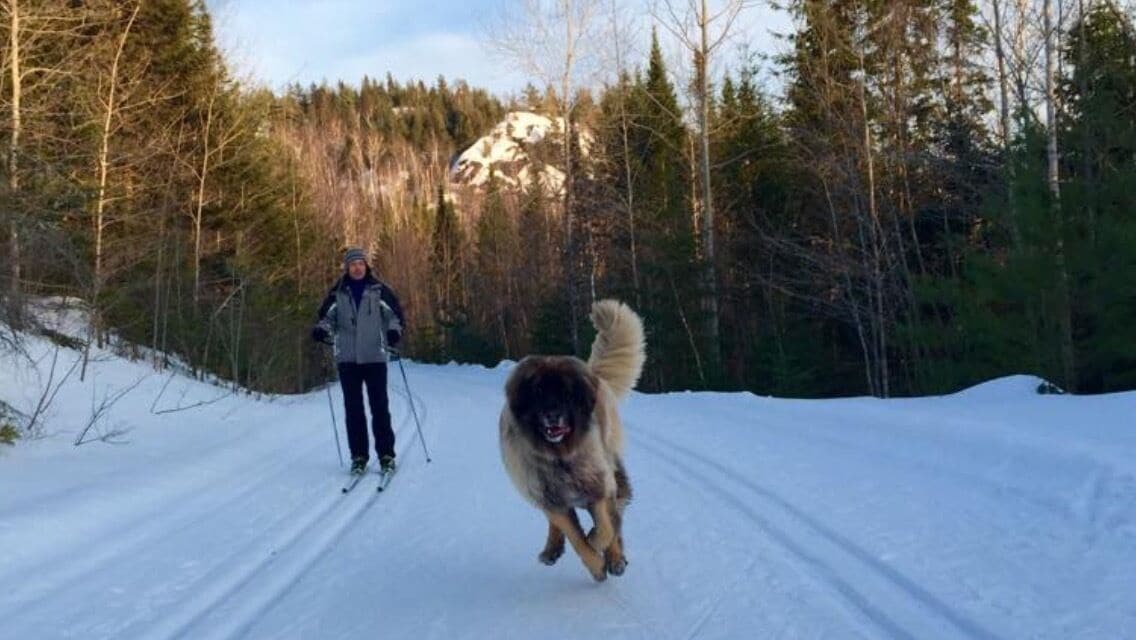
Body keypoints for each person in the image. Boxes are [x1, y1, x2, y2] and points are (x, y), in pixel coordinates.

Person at [312, 247, 405, 476]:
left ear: (366, 266)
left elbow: (395, 316)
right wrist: (321, 331)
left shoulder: (379, 290)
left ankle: (386, 455)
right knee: (353, 411)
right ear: (347, 267)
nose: (357, 267)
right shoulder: (338, 293)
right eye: (352, 264)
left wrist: (394, 333)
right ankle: (359, 457)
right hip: (348, 361)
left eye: (360, 263)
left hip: (375, 357)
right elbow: (326, 318)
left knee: (380, 408)